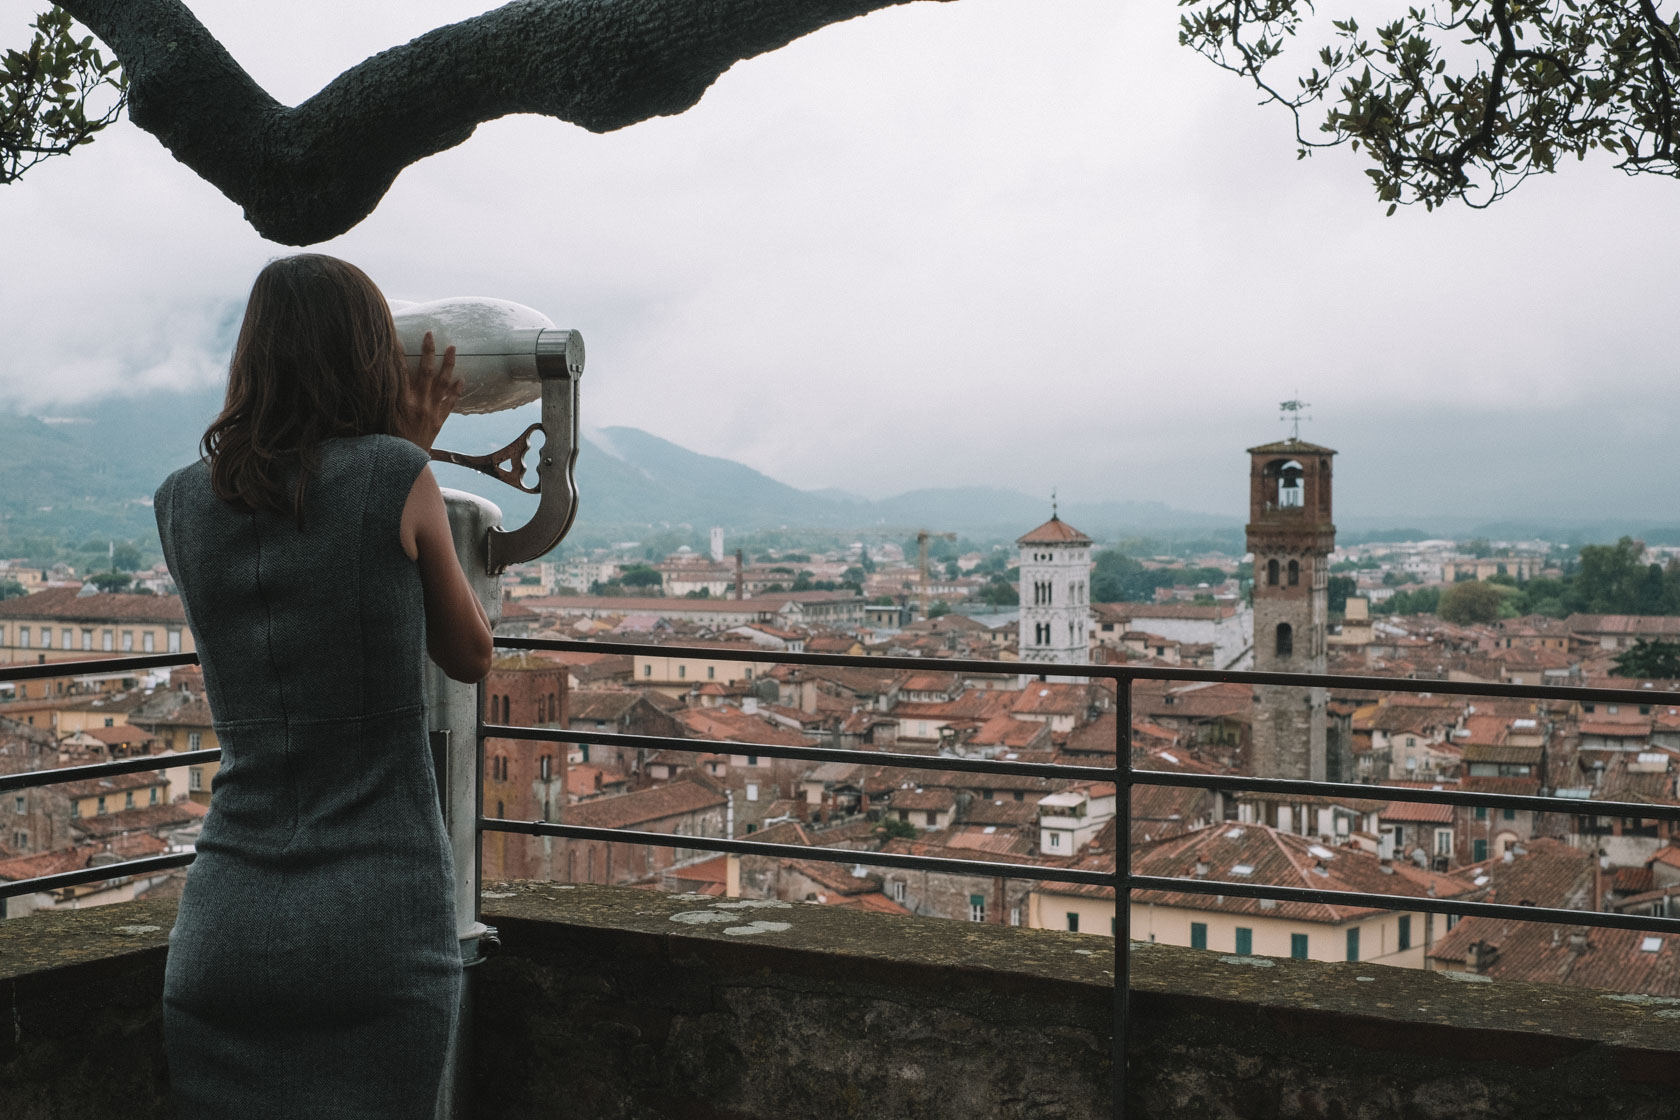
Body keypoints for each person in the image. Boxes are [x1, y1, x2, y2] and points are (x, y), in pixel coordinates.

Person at [154, 253, 494, 1119]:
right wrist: (408, 456)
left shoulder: (179, 502)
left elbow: (294, 567)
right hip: (376, 915)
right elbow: (469, 655)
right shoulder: (394, 473)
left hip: (224, 921)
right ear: (369, 356)